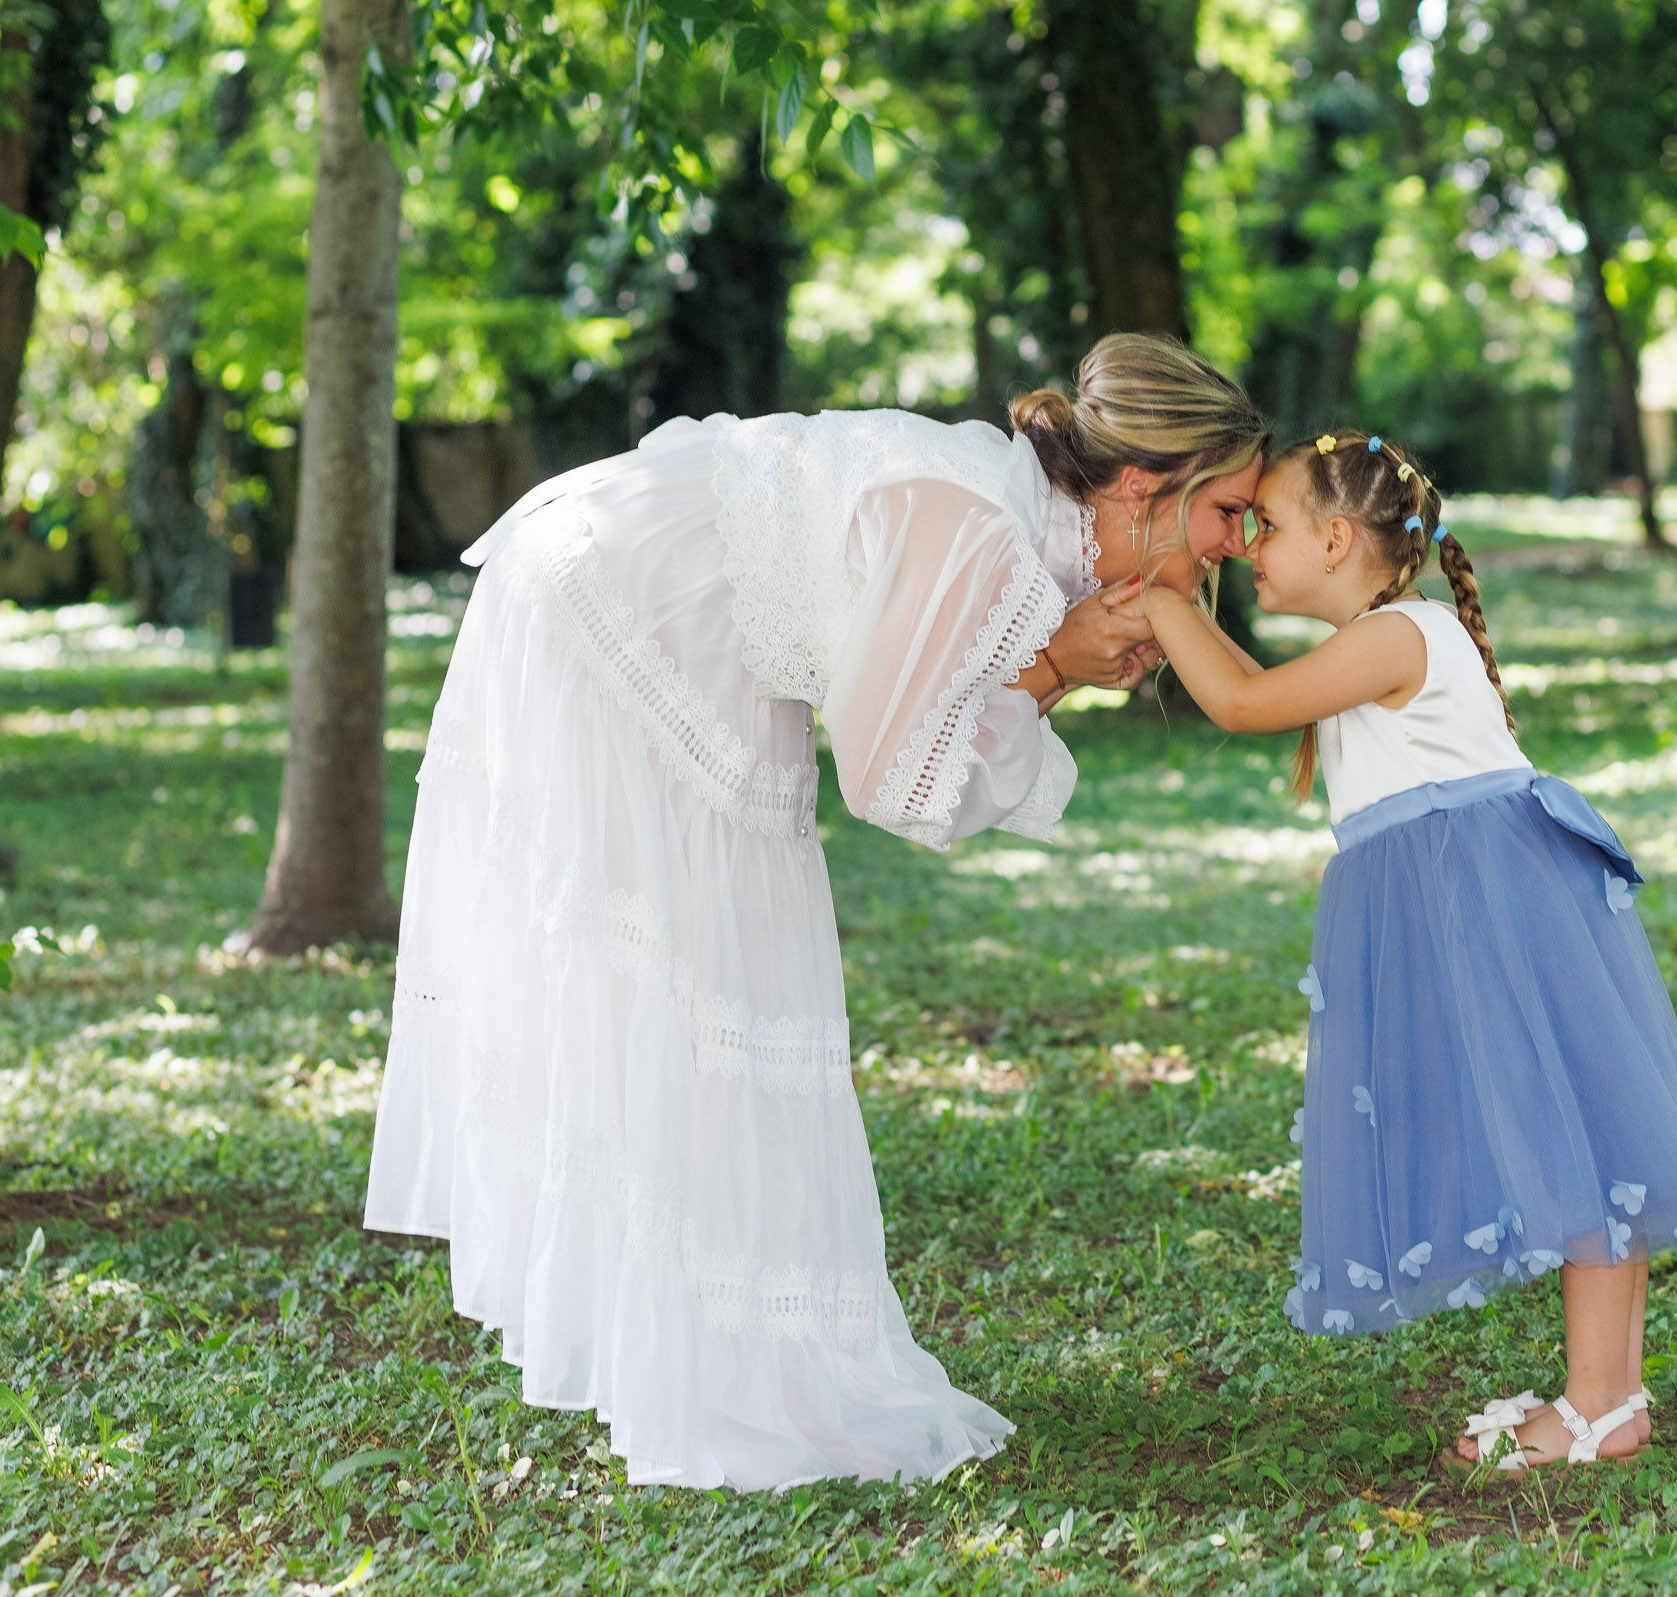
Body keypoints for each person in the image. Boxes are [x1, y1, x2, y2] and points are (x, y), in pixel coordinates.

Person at [364, 334, 1267, 1491]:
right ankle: (697, 1369)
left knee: (728, 983)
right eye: (1229, 509)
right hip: (611, 617)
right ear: (1147, 484)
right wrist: (1050, 674)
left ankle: (720, 1349)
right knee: (687, 982)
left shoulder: (1017, 525)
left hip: (684, 636)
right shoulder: (984, 527)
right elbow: (889, 778)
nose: (1235, 542)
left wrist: (1051, 659)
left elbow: (914, 703)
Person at [1126, 429, 1677, 1470]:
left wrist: (1156, 600)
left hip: (1501, 909)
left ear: (1336, 538)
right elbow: (1247, 680)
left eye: (1265, 525)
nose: (1245, 546)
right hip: (1487, 908)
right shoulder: (1377, 641)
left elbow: (1238, 701)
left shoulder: (1398, 634)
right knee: (1583, 1144)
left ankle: (1600, 1406)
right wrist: (1178, 609)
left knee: (1582, 1148)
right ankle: (1611, 1396)